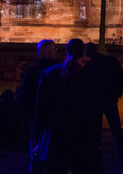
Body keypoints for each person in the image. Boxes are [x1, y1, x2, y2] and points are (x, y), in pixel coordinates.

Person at [33, 38, 103, 174]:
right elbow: (94, 110)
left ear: (67, 52)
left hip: (56, 137)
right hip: (81, 138)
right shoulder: (89, 75)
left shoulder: (49, 73)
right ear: (83, 53)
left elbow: (40, 109)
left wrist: (38, 137)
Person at [86, 42, 123, 172]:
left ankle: (96, 165)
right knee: (117, 134)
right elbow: (122, 78)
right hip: (110, 100)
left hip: (96, 103)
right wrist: (116, 94)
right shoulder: (110, 60)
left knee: (95, 135)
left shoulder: (89, 66)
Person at [18, 39, 58, 169]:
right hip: (52, 116)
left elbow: (24, 93)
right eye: (55, 49)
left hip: (34, 115)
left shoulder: (31, 70)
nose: (56, 52)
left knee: (35, 148)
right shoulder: (56, 70)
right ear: (49, 52)